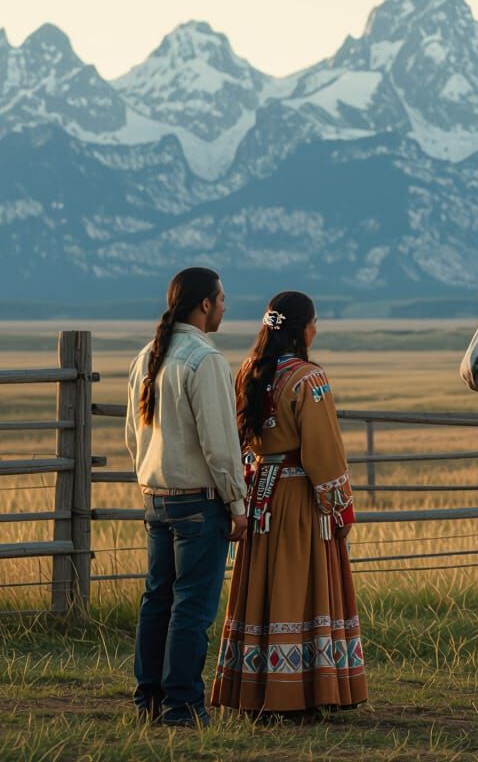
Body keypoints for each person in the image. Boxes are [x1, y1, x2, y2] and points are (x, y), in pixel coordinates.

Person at [211, 290, 367, 716]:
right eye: (314, 323)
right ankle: (302, 691)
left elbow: (241, 441)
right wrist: (340, 505)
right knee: (302, 584)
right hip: (300, 498)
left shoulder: (247, 372)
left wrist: (247, 491)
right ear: (303, 330)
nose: (316, 331)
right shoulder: (309, 379)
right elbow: (323, 451)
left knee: (264, 583)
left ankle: (256, 688)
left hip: (262, 494)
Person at [125, 267, 248, 728]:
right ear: (205, 305)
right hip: (199, 500)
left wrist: (147, 479)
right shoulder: (205, 359)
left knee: (156, 600)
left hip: (155, 494)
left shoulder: (147, 357)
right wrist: (237, 503)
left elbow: (133, 435)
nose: (224, 306)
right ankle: (183, 705)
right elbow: (220, 443)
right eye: (221, 298)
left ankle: (149, 700)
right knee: (192, 606)